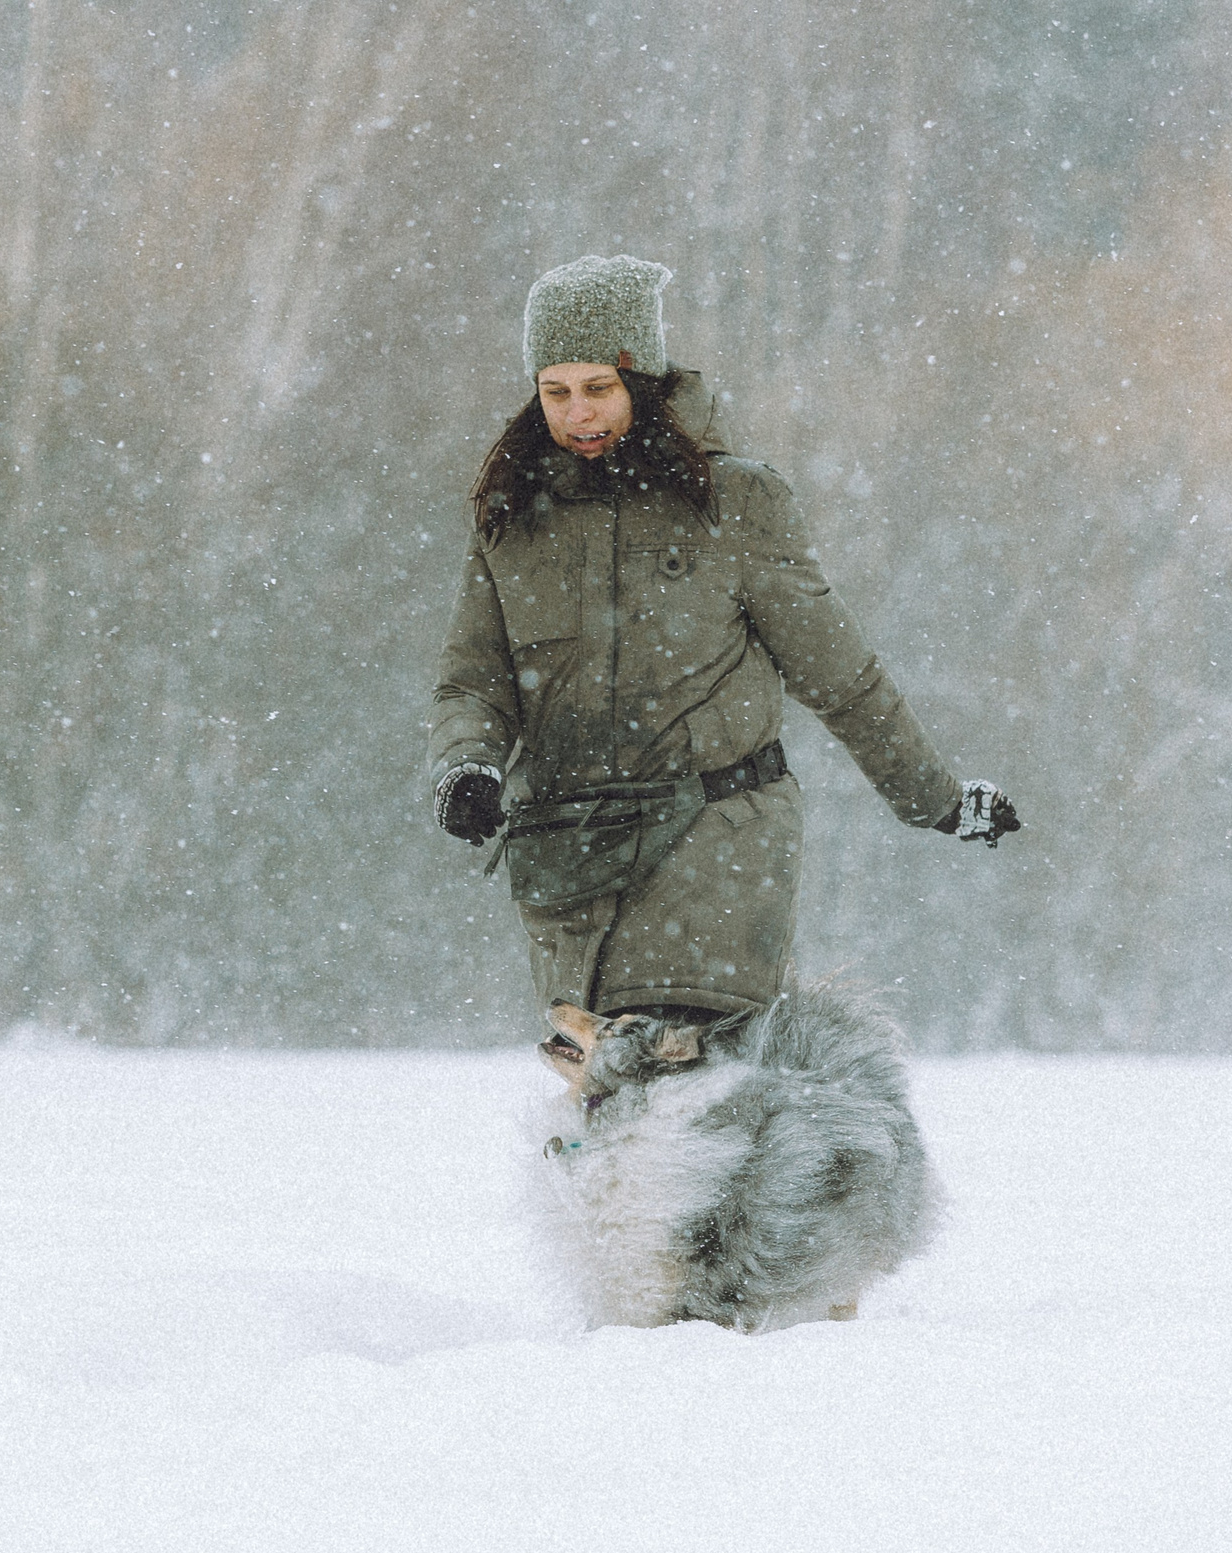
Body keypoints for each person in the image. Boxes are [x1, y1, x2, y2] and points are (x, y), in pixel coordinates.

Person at [427, 254, 1019, 1027]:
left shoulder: (736, 502)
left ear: (642, 381)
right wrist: (465, 763)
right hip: (569, 856)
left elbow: (840, 677)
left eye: (598, 388)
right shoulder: (510, 516)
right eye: (556, 392)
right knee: (603, 1090)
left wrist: (936, 800)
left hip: (713, 841)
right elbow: (475, 679)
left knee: (679, 1069)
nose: (578, 414)